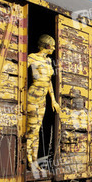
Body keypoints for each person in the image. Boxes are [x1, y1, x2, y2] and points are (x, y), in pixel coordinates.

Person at [25, 34, 61, 172]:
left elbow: (48, 82)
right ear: (46, 46)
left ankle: (34, 161)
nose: (53, 48)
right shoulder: (31, 58)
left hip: (42, 100)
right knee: (31, 131)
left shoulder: (48, 61)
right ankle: (29, 161)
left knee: (37, 131)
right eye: (52, 46)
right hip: (32, 98)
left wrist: (53, 99)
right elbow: (21, 75)